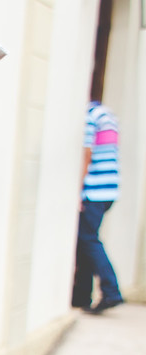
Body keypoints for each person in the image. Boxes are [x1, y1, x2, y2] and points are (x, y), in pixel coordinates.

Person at [72, 99, 124, 313]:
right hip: (110, 189)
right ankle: (81, 296)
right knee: (85, 240)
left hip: (95, 190)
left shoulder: (90, 116)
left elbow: (87, 153)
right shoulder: (107, 115)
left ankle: (111, 291)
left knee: (88, 239)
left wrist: (78, 190)